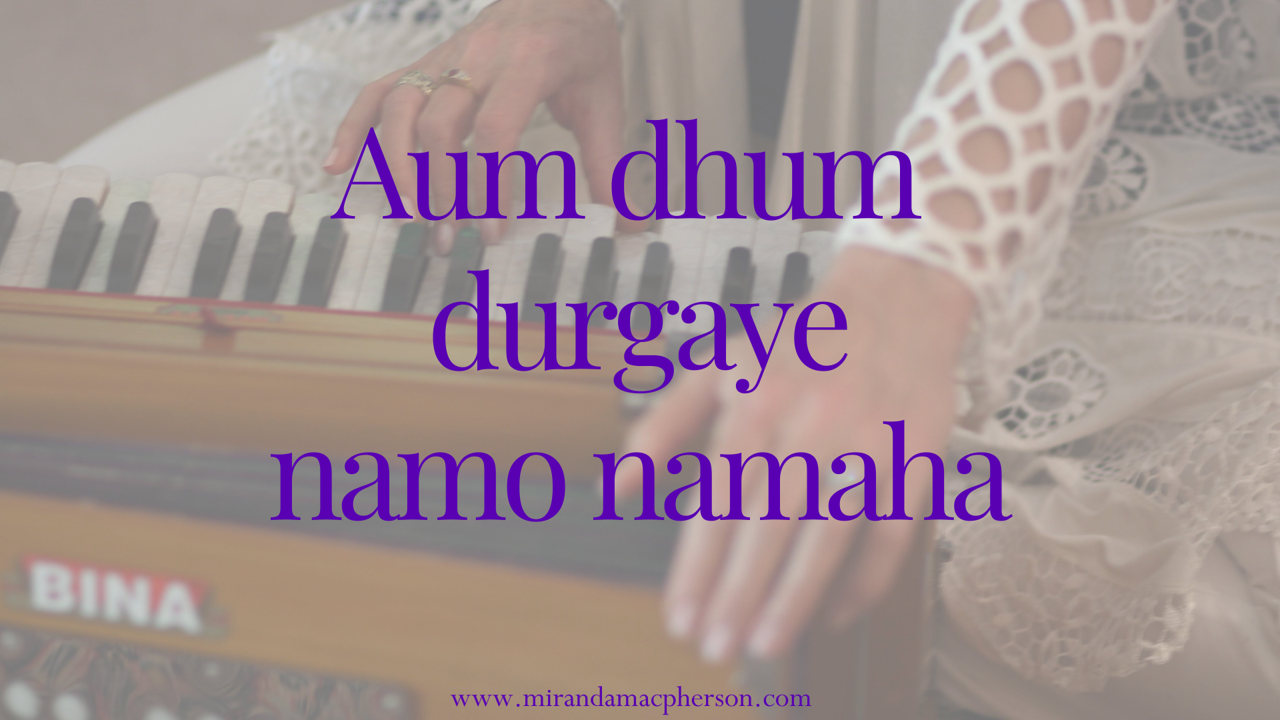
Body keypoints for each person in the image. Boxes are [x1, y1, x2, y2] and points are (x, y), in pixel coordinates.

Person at [62, 0, 1280, 717]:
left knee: (1131, 619)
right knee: (89, 247)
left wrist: (925, 263)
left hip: (1072, 98)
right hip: (667, 40)